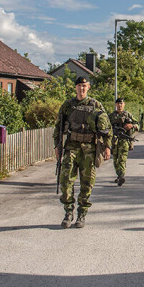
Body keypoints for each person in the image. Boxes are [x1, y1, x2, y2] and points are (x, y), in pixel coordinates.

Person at [53, 77, 112, 229]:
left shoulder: (95, 105)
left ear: (88, 87)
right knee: (66, 181)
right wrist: (57, 146)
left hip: (90, 149)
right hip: (71, 147)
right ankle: (68, 212)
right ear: (76, 87)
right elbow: (58, 127)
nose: (82, 88)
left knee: (87, 183)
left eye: (84, 86)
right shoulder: (68, 105)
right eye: (79, 86)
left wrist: (107, 147)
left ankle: (82, 214)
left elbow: (107, 128)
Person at [108, 97, 139, 186]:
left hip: (124, 140)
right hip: (114, 140)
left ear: (124, 104)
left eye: (121, 103)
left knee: (122, 158)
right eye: (118, 103)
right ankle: (119, 175)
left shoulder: (128, 115)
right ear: (116, 104)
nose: (120, 105)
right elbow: (106, 127)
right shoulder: (111, 116)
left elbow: (137, 124)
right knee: (115, 160)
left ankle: (121, 176)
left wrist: (132, 125)